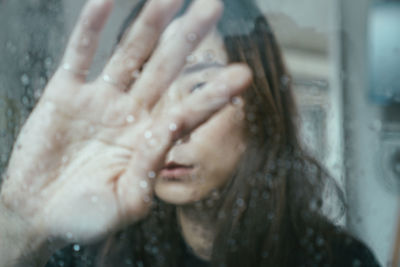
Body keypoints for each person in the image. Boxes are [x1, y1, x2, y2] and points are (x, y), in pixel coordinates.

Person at [0, 0, 381, 266]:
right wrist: (21, 223)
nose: (172, 127)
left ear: (260, 109)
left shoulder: (337, 260)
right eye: (149, 98)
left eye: (200, 90)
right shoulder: (94, 255)